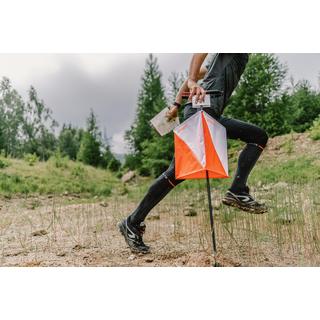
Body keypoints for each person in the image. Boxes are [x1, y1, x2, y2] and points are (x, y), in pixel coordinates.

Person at [119, 53, 268, 254]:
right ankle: (132, 221)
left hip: (205, 111)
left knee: (257, 137)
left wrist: (176, 104)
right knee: (178, 172)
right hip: (201, 110)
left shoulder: (220, 60)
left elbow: (198, 73)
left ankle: (238, 190)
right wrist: (190, 81)